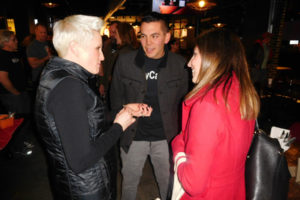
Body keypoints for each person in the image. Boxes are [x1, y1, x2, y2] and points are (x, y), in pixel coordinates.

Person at [34, 15, 152, 199]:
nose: (103, 56)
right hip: (86, 189)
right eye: (97, 48)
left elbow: (87, 121)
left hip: (82, 185)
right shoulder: (68, 87)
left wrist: (122, 111)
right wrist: (119, 126)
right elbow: (81, 161)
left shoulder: (59, 75)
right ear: (75, 47)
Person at [171, 29, 260, 199]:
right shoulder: (241, 92)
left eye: (195, 55)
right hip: (232, 192)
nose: (188, 63)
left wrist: (178, 145)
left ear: (213, 58)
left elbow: (193, 183)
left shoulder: (208, 105)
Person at [110, 12, 189, 200]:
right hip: (133, 136)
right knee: (128, 185)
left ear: (167, 37)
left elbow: (183, 102)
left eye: (155, 36)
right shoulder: (125, 62)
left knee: (167, 186)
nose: (148, 42)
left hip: (166, 139)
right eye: (143, 36)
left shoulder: (181, 65)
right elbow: (115, 99)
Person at [0, 29, 33, 155]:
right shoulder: (2, 56)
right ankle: (16, 148)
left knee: (24, 119)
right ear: (6, 42)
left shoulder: (14, 53)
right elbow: (2, 78)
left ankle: (20, 143)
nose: (17, 41)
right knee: (16, 122)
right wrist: (15, 92)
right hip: (12, 96)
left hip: (21, 93)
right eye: (14, 39)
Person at [99, 21, 121, 97]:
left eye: (114, 32)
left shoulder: (125, 49)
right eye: (110, 32)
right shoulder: (107, 45)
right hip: (107, 87)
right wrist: (101, 83)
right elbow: (103, 65)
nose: (111, 35)